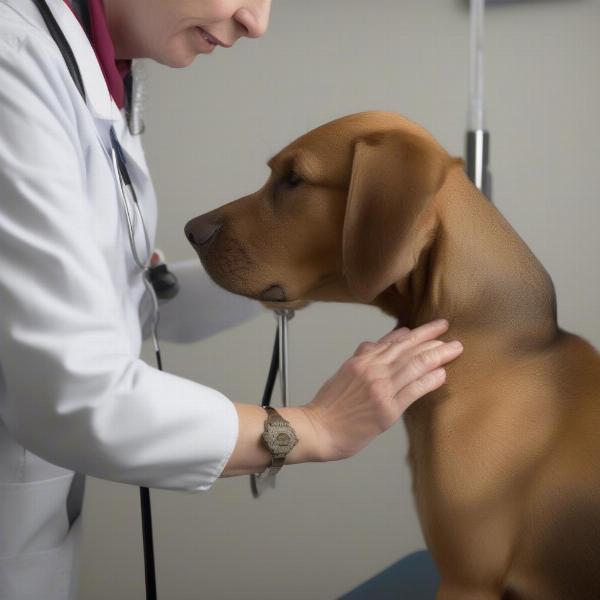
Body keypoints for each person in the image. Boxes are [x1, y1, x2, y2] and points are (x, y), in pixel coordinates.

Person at [0, 1, 464, 598]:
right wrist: (311, 429)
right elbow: (77, 392)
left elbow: (117, 303)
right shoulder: (15, 68)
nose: (257, 21)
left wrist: (310, 274)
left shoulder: (95, 71)